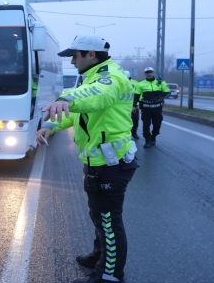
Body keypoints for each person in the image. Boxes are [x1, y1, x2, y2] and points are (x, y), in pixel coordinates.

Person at [35, 35, 138, 283]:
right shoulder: (93, 76)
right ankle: (99, 256)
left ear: (91, 54)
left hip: (110, 164)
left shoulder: (110, 76)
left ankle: (110, 274)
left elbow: (97, 95)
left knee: (109, 221)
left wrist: (66, 98)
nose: (71, 60)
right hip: (99, 162)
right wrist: (52, 126)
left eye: (75, 55)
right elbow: (80, 114)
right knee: (99, 214)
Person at [134, 67, 170, 148]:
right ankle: (147, 140)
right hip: (146, 109)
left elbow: (167, 93)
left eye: (150, 72)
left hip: (157, 108)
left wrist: (160, 98)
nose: (149, 74)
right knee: (146, 125)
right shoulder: (140, 84)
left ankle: (153, 137)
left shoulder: (161, 82)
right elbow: (136, 96)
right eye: (147, 72)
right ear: (144, 74)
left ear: (153, 73)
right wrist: (134, 105)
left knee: (157, 125)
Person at [125, 71, 140, 140]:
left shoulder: (135, 83)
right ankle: (125, 134)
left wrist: (136, 104)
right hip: (123, 106)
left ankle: (134, 133)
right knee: (123, 120)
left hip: (134, 105)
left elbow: (139, 94)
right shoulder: (119, 82)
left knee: (135, 120)